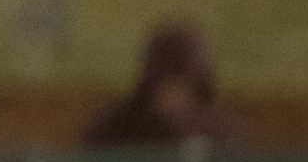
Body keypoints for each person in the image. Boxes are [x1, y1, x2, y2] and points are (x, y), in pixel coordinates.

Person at [82, 21, 234, 151]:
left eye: (188, 90)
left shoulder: (218, 133)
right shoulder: (116, 128)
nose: (179, 99)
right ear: (151, 87)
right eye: (170, 88)